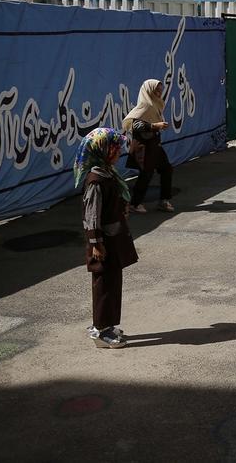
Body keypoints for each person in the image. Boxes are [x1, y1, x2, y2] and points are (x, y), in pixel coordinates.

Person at [76, 128, 139, 349]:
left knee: (112, 282)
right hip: (104, 242)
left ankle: (106, 324)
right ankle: (101, 331)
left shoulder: (108, 173)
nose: (119, 152)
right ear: (103, 151)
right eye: (114, 148)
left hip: (113, 238)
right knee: (103, 285)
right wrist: (96, 244)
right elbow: (91, 216)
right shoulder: (96, 180)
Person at [123, 79, 174, 213]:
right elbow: (135, 125)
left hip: (154, 145)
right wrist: (154, 126)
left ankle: (164, 201)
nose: (158, 93)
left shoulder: (154, 105)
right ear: (148, 90)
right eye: (156, 90)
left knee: (166, 169)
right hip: (143, 147)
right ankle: (135, 204)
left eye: (160, 90)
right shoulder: (145, 105)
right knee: (146, 173)